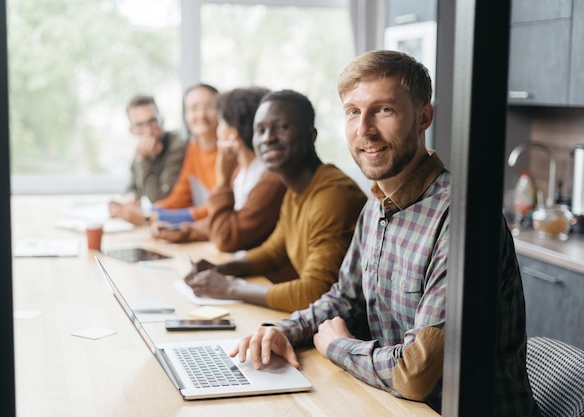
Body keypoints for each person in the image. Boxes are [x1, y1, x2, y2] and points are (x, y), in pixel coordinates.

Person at [229, 50, 541, 416]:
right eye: (353, 112)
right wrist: (283, 329)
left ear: (424, 117)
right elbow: (344, 298)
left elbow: (415, 373)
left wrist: (338, 347)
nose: (365, 130)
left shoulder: (462, 218)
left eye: (384, 110)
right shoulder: (377, 204)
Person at [185, 89, 367, 313]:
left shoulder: (333, 195)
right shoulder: (295, 191)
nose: (268, 138)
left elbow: (315, 293)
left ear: (311, 135)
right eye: (260, 130)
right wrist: (220, 269)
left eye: (281, 128)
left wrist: (231, 287)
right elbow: (273, 251)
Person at [151, 86, 287, 253]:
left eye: (220, 121)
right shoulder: (243, 172)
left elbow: (226, 236)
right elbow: (225, 220)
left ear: (232, 133)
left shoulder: (269, 179)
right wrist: (184, 231)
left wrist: (223, 181)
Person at [111, 84, 220, 226]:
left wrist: (149, 217)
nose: (148, 131)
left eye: (209, 106)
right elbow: (177, 198)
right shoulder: (194, 149)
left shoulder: (182, 146)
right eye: (193, 108)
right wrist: (143, 210)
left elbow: (218, 207)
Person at [108, 95, 187, 215]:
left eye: (152, 121)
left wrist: (143, 159)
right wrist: (130, 198)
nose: (148, 130)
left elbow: (159, 199)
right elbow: (132, 186)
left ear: (162, 120)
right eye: (139, 125)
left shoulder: (178, 146)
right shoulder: (141, 150)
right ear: (132, 130)